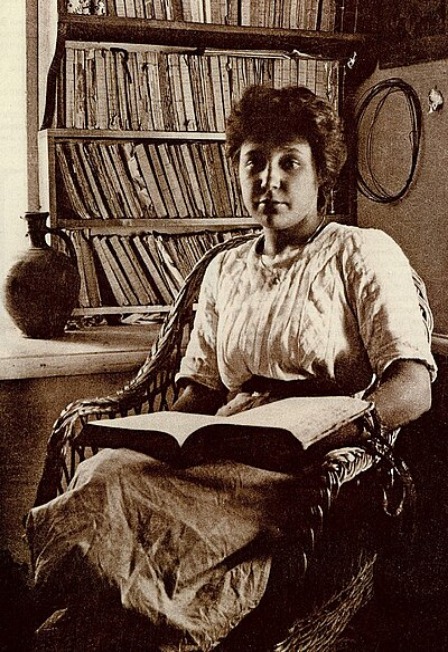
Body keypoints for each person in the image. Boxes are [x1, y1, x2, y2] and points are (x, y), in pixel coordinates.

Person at [27, 85, 436, 651]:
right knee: (106, 472)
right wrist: (166, 437)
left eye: (290, 162)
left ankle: (153, 621)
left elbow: (413, 387)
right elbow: (199, 390)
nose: (270, 179)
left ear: (322, 173)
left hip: (306, 462)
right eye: (254, 162)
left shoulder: (361, 251)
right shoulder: (226, 269)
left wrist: (339, 429)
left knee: (152, 505)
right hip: (227, 442)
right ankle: (99, 618)